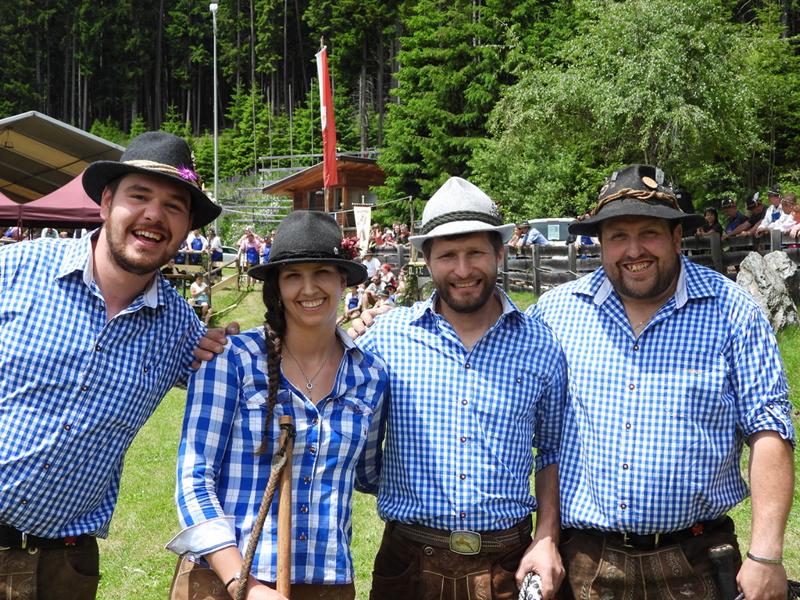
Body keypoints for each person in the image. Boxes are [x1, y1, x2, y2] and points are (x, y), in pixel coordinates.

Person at [530, 164, 795, 599]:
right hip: (584, 563)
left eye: (649, 233)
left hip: (697, 559)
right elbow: (544, 438)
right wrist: (544, 537)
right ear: (601, 243)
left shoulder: (733, 311)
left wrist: (766, 555)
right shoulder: (555, 313)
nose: (634, 249)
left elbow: (769, 430)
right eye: (618, 236)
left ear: (676, 236)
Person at [0, 131, 231, 600]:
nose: (154, 215)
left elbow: (255, 376)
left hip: (65, 566)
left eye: (173, 206)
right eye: (139, 196)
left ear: (187, 226)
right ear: (106, 202)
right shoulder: (15, 269)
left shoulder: (183, 332)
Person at [356, 176, 567, 599]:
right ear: (426, 259)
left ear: (500, 253)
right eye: (448, 255)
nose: (464, 270)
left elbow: (552, 451)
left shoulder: (541, 343)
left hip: (507, 562)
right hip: (407, 560)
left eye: (476, 253)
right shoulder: (387, 337)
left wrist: (546, 536)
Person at [167, 210, 388, 600]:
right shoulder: (231, 360)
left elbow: (370, 475)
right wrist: (245, 586)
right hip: (227, 581)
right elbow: (194, 481)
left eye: (322, 272)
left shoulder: (369, 375)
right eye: (293, 276)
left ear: (343, 280)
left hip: (327, 584)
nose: (308, 288)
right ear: (277, 286)